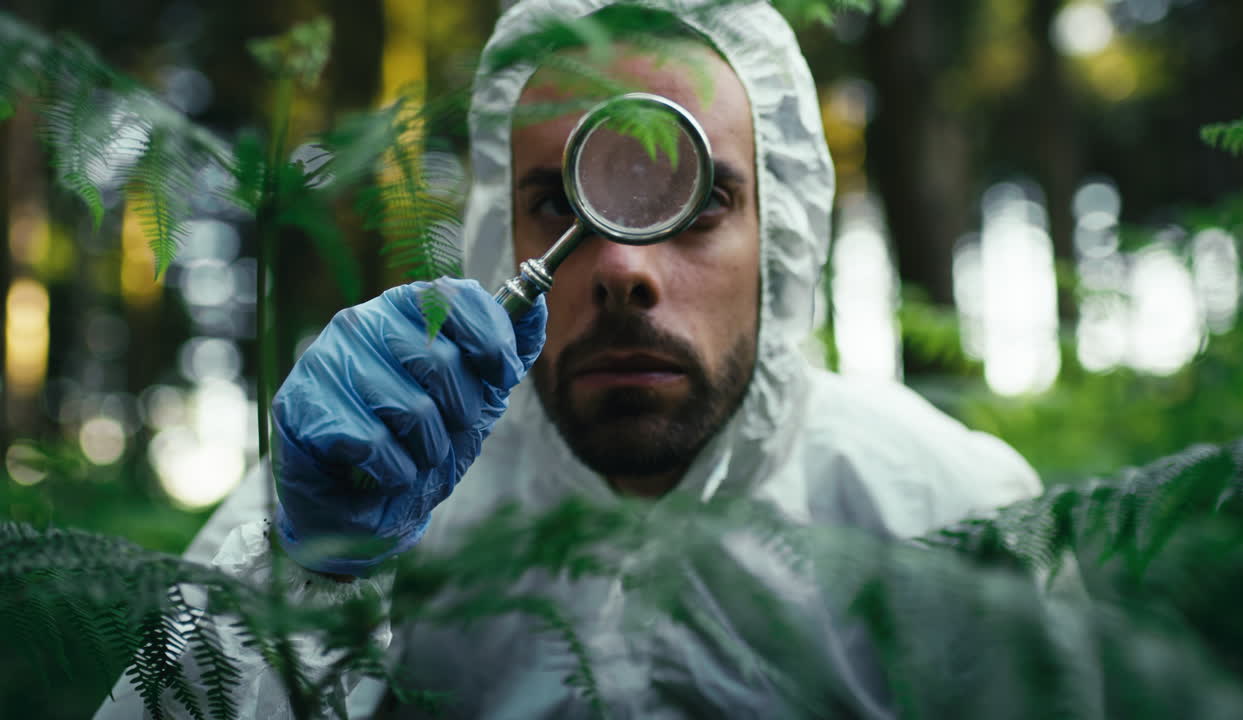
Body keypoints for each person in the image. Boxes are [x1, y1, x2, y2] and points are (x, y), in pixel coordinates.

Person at [97, 0, 1041, 717]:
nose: (624, 267)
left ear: (781, 237)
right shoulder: (363, 476)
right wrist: (310, 577)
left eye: (700, 201)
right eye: (559, 203)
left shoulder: (948, 508)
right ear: (496, 236)